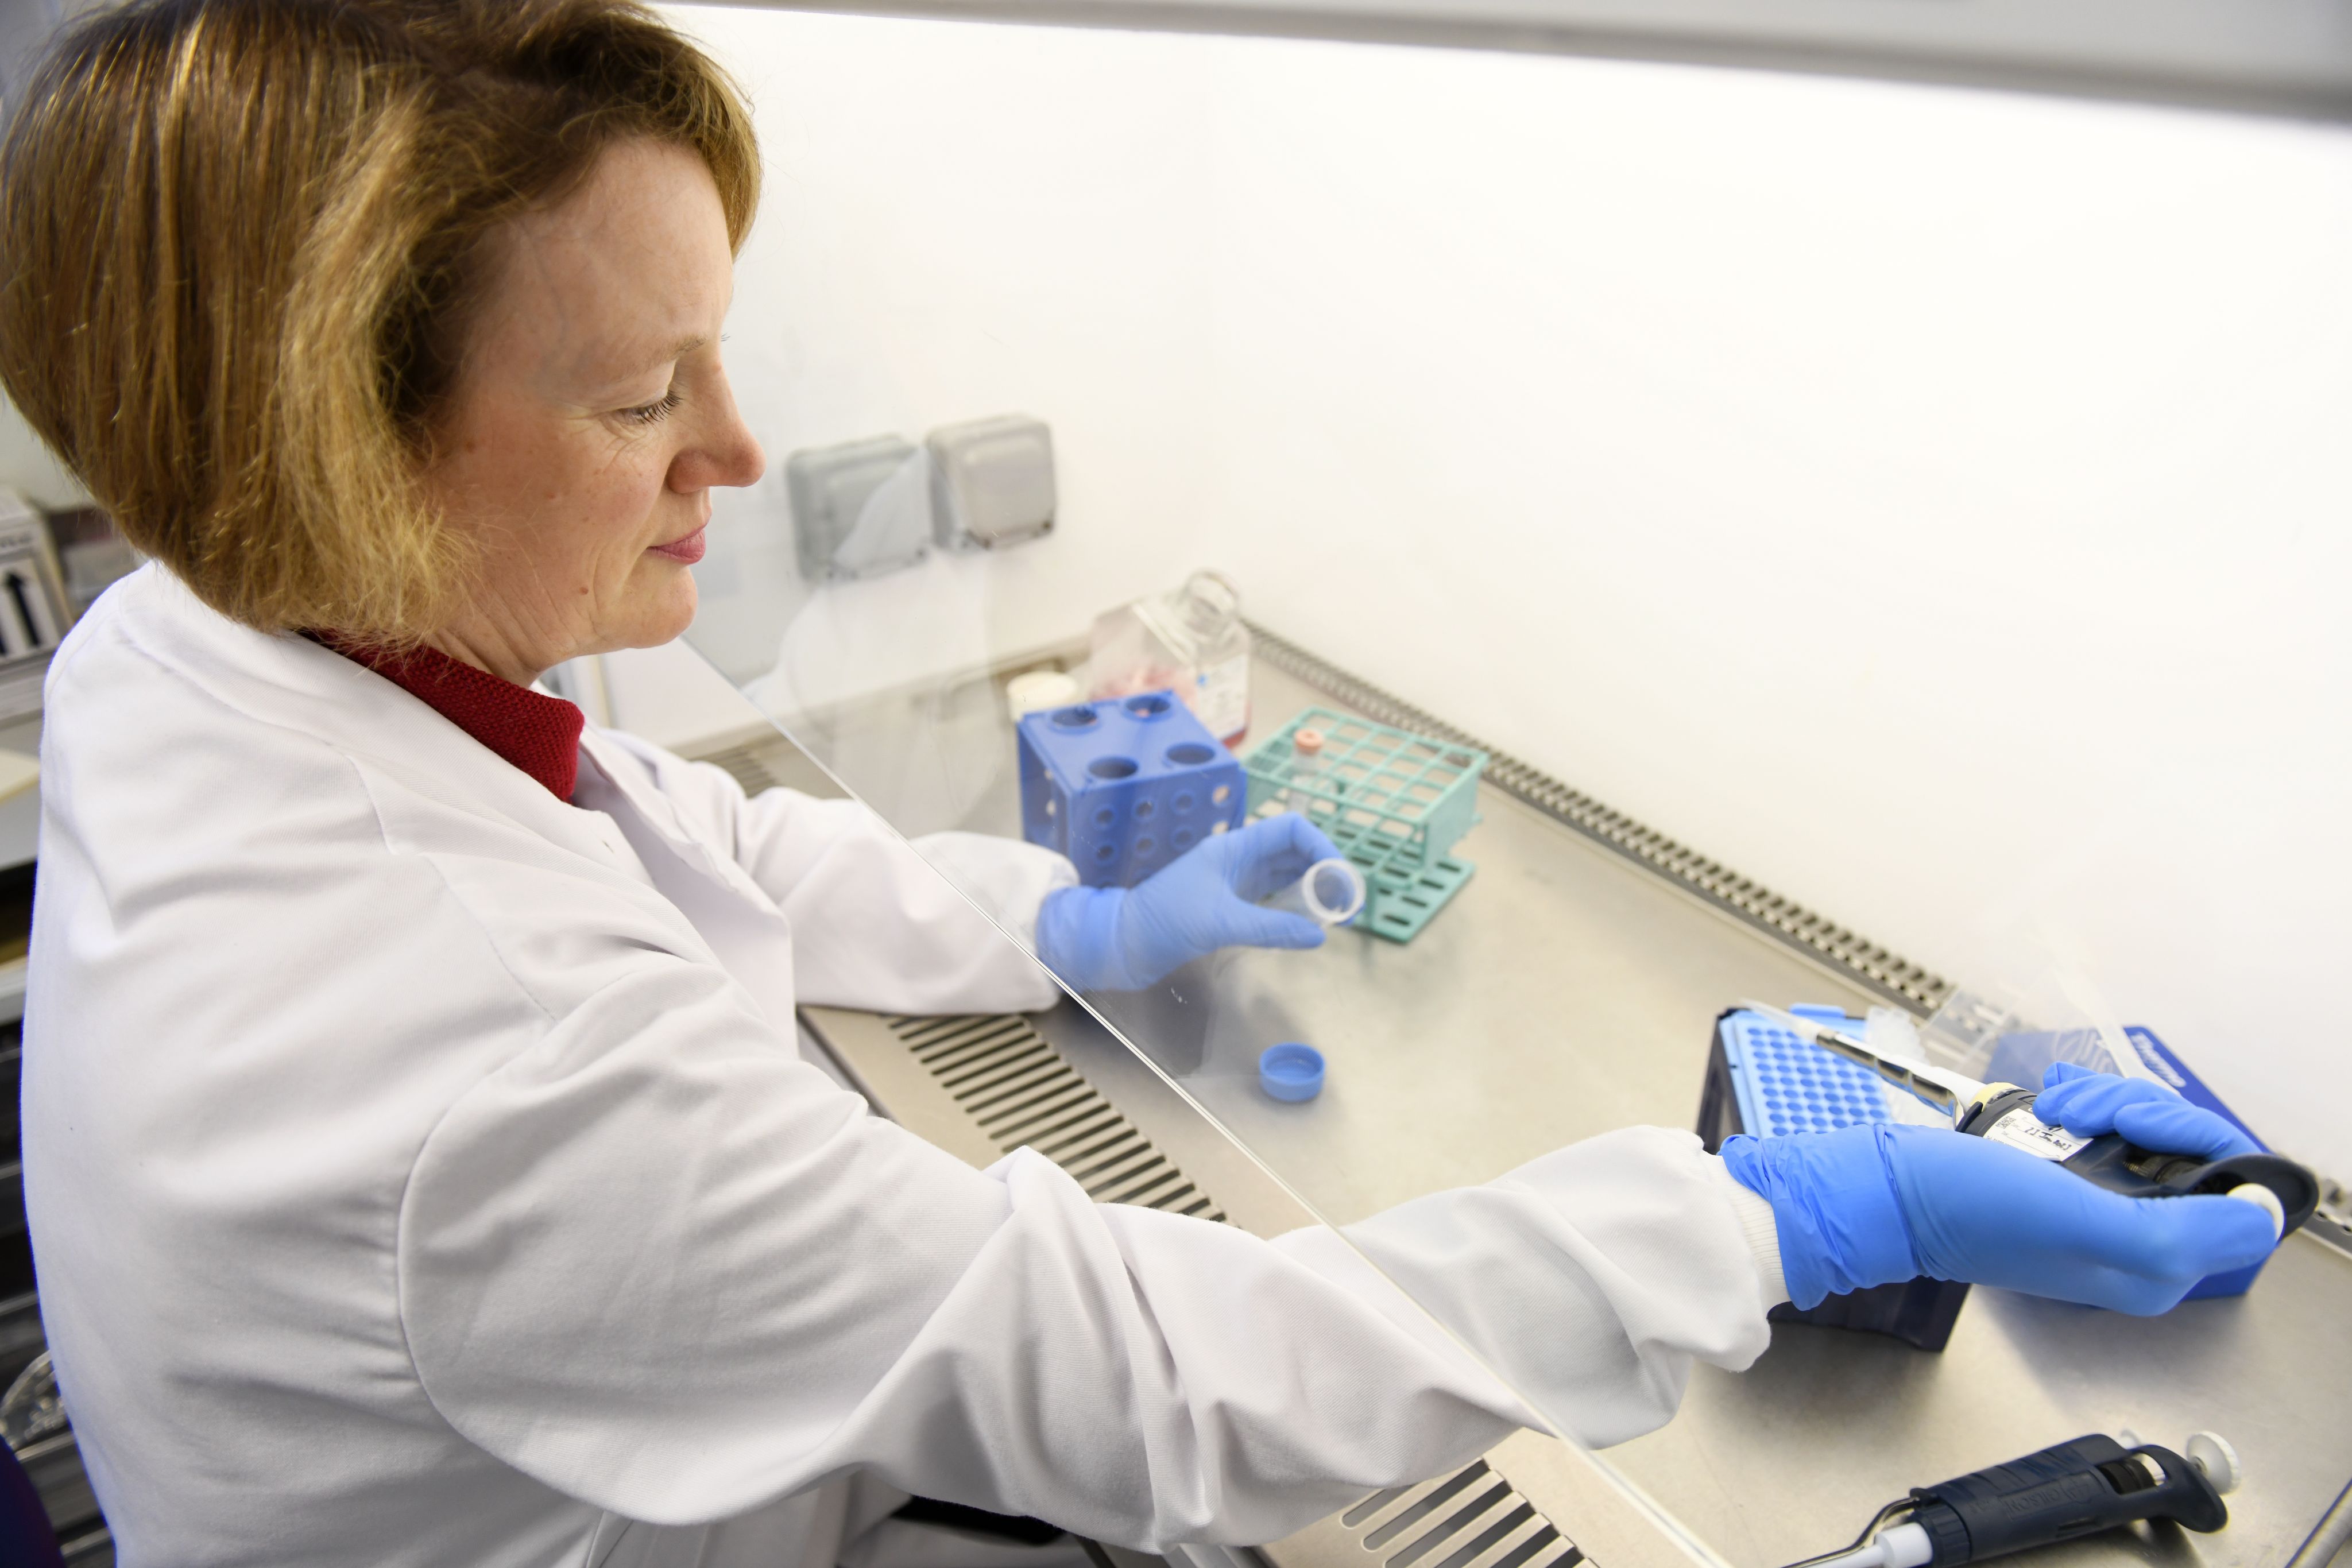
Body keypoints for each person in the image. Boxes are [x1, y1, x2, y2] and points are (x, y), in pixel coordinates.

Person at [0, 3, 2280, 1565]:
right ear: (339, 445)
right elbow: (1164, 1375)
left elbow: (676, 832)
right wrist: (1779, 1218)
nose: (735, 451)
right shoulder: (478, 1069)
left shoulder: (199, 627)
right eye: (634, 396)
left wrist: (1070, 923)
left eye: (723, 353)